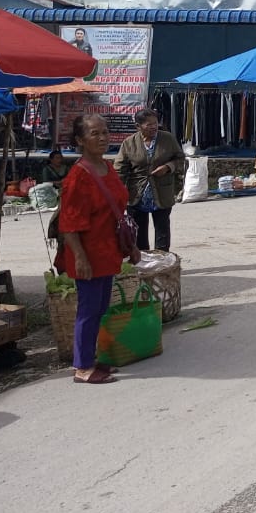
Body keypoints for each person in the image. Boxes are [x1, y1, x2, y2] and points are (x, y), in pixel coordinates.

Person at [58, 113, 134, 384]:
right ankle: (82, 367)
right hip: (88, 254)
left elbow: (118, 210)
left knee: (100, 308)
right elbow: (68, 225)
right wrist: (79, 257)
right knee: (88, 310)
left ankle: (91, 357)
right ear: (80, 140)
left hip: (107, 251)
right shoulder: (78, 177)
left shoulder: (106, 167)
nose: (102, 138)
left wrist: (130, 246)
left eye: (105, 132)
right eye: (95, 134)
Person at [114, 108, 185, 253]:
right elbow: (119, 170)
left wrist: (168, 167)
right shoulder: (128, 143)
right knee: (139, 236)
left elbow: (181, 159)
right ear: (138, 126)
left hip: (161, 193)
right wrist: (116, 193)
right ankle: (144, 265)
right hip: (136, 196)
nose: (153, 127)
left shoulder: (168, 139)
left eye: (155, 123)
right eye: (148, 124)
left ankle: (163, 265)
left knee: (162, 232)